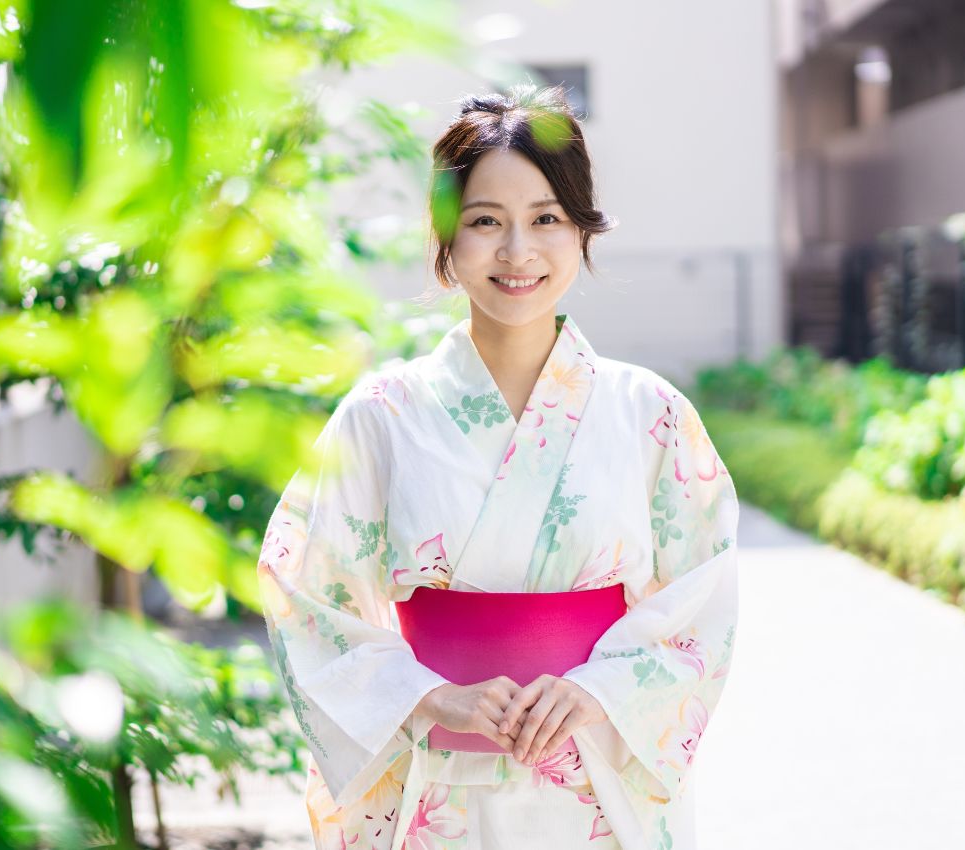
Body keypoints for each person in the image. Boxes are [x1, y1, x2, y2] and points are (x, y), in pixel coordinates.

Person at [257, 83, 740, 850]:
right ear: (448, 240)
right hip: (432, 779)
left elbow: (700, 594)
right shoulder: (382, 415)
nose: (518, 252)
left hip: (593, 780)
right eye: (486, 222)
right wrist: (427, 698)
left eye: (546, 219)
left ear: (582, 232)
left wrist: (597, 687)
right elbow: (305, 592)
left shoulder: (651, 413)